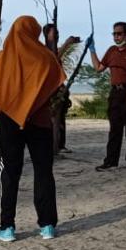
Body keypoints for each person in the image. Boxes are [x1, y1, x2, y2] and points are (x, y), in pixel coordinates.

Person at [0, 16, 66, 242]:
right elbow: (55, 87)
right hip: (40, 122)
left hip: (10, 122)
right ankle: (48, 225)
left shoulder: (3, 58)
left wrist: (16, 105)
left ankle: (7, 227)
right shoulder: (46, 58)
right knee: (43, 171)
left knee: (10, 173)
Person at [87, 21, 126, 171]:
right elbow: (99, 68)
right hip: (115, 93)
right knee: (114, 128)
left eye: (119, 33)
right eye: (114, 34)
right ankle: (110, 161)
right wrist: (91, 50)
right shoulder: (111, 51)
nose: (116, 37)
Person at [43, 23, 80, 153]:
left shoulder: (55, 51)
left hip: (60, 89)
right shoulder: (44, 51)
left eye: (58, 33)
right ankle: (52, 145)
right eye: (54, 33)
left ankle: (60, 145)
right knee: (51, 119)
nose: (57, 36)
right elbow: (53, 59)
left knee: (60, 118)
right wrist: (67, 44)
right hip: (49, 91)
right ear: (47, 35)